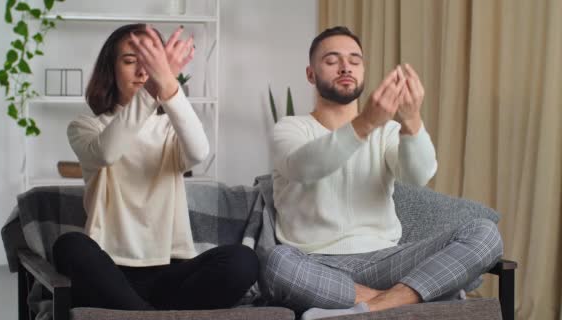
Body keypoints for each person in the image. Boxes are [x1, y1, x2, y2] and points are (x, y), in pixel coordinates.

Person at [262, 26, 503, 319]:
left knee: (484, 233)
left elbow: (418, 175)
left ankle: (368, 308)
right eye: (331, 60)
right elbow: (305, 168)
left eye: (354, 60)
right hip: (317, 265)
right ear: (311, 74)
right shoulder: (290, 128)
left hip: (386, 261)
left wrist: (412, 119)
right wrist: (365, 123)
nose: (345, 67)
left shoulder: (388, 131)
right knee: (276, 263)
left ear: (363, 71)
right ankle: (416, 297)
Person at [53, 23, 258, 311]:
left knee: (243, 261)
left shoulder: (170, 127)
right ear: (110, 69)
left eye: (151, 64)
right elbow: (106, 153)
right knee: (69, 246)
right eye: (130, 61)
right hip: (111, 271)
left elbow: (199, 152)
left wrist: (170, 87)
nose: (142, 71)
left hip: (169, 270)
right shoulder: (86, 126)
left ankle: (138, 315)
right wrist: (153, 89)